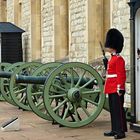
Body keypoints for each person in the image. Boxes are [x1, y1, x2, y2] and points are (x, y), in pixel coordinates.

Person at [103, 28, 127, 139]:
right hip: (111, 87)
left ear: (113, 45)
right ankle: (114, 129)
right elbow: (110, 72)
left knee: (118, 110)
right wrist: (105, 64)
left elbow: (121, 75)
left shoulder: (119, 59)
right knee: (113, 110)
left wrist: (120, 88)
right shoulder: (112, 58)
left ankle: (121, 131)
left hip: (116, 88)